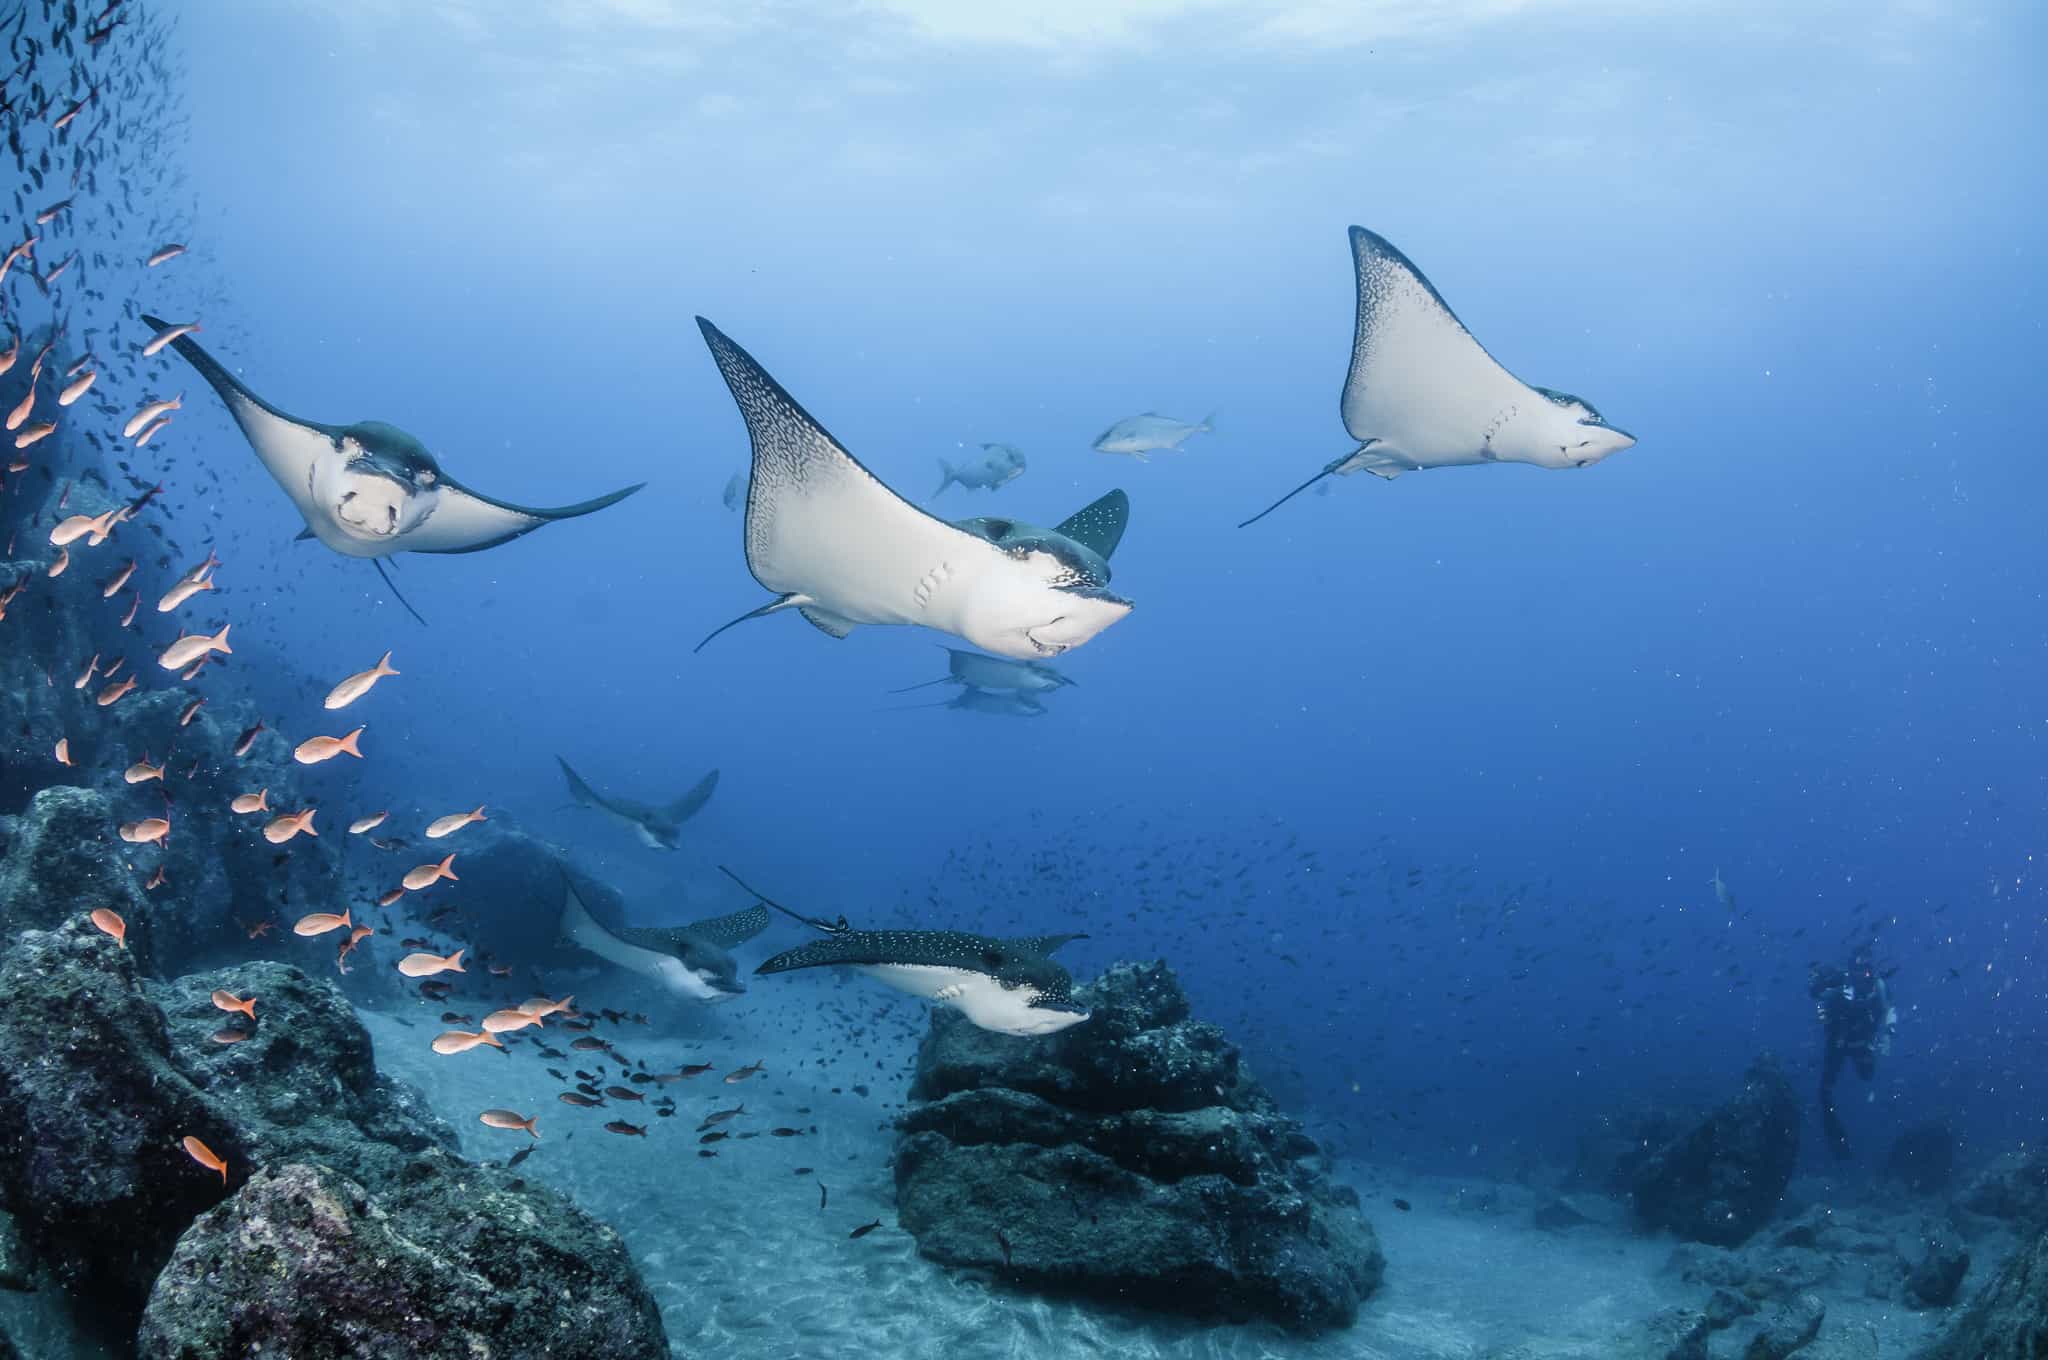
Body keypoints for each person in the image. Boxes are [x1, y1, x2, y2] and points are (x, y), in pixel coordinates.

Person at [1808, 945, 1897, 1159]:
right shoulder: (1840, 982)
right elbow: (1814, 991)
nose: (1862, 975)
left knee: (1867, 1076)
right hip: (1838, 1043)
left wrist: (1888, 1035)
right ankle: (1836, 1138)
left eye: (1865, 969)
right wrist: (1820, 980)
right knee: (1824, 1091)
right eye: (1857, 969)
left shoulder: (1879, 987)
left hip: (1861, 1045)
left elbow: (1890, 1010)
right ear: (1850, 968)